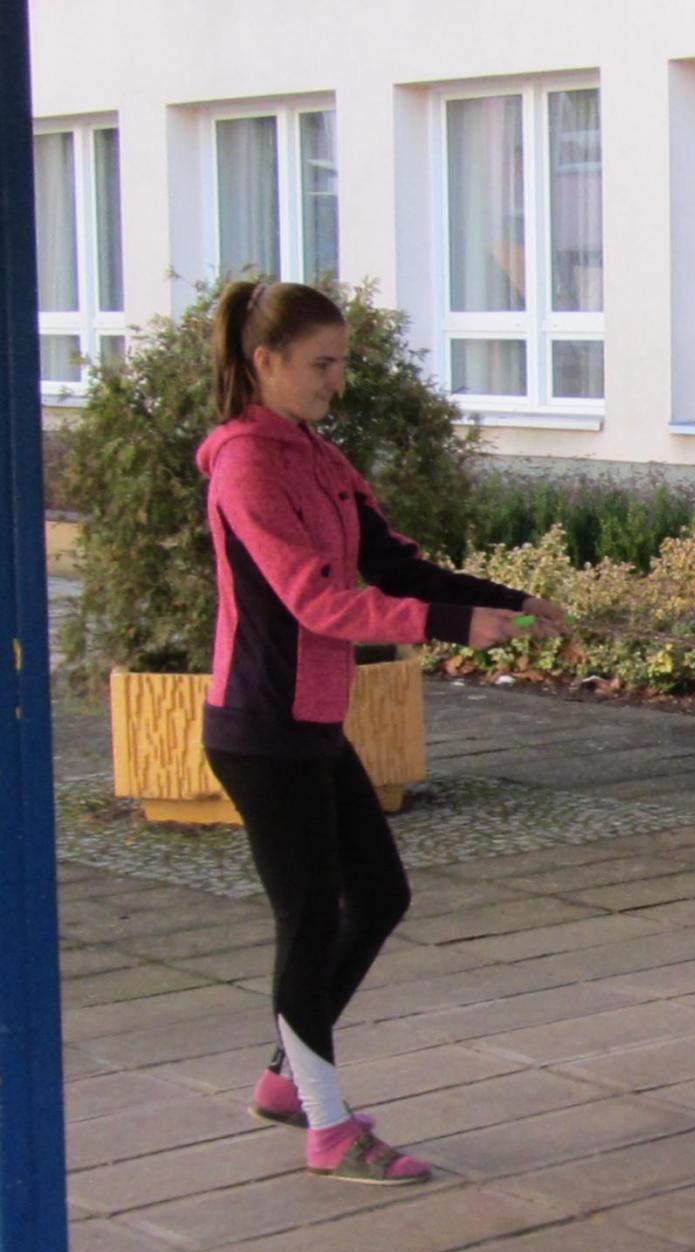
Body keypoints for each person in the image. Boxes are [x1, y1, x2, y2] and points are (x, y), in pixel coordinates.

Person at [199, 279, 566, 1183]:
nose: (336, 381)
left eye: (342, 364)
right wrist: (452, 628)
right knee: (309, 919)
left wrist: (509, 601)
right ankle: (328, 1129)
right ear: (265, 362)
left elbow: (394, 565)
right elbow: (314, 601)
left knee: (378, 896)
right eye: (321, 364)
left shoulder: (318, 458)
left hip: (312, 723)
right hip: (260, 727)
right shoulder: (246, 465)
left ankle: (288, 1081)